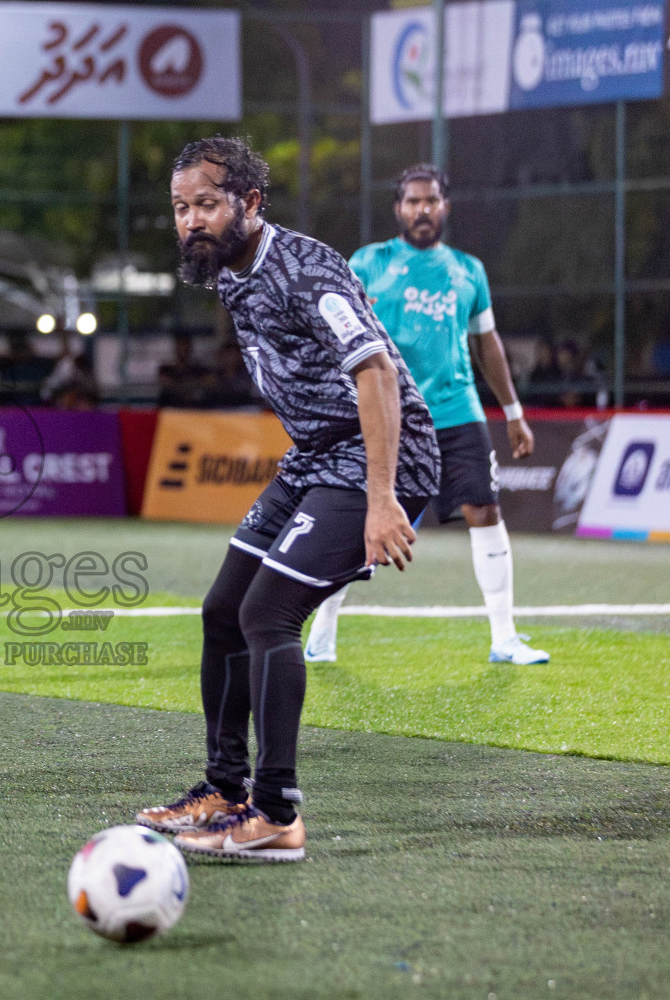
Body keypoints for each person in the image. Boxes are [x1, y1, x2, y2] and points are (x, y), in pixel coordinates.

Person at [135, 137, 439, 862]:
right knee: (222, 612)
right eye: (181, 208)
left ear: (251, 202)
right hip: (314, 458)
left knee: (268, 613)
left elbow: (376, 374)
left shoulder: (306, 270)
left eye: (207, 203)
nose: (192, 221)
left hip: (373, 457)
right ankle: (224, 790)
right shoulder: (228, 272)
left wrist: (380, 497)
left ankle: (276, 814)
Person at [304, 164, 549, 667]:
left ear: (445, 206)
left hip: (458, 411)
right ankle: (323, 631)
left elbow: (486, 341)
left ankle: (504, 637)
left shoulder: (468, 270)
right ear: (398, 209)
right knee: (361, 523)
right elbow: (336, 332)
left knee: (486, 511)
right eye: (412, 202)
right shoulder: (368, 263)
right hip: (389, 417)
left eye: (431, 201)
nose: (422, 210)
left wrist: (514, 411)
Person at [157, 331, 212, 407]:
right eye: (180, 346)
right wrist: (191, 386)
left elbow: (207, 382)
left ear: (190, 348)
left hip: (194, 411)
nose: (183, 349)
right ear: (176, 348)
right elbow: (167, 383)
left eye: (185, 346)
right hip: (171, 411)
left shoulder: (199, 369)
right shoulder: (166, 369)